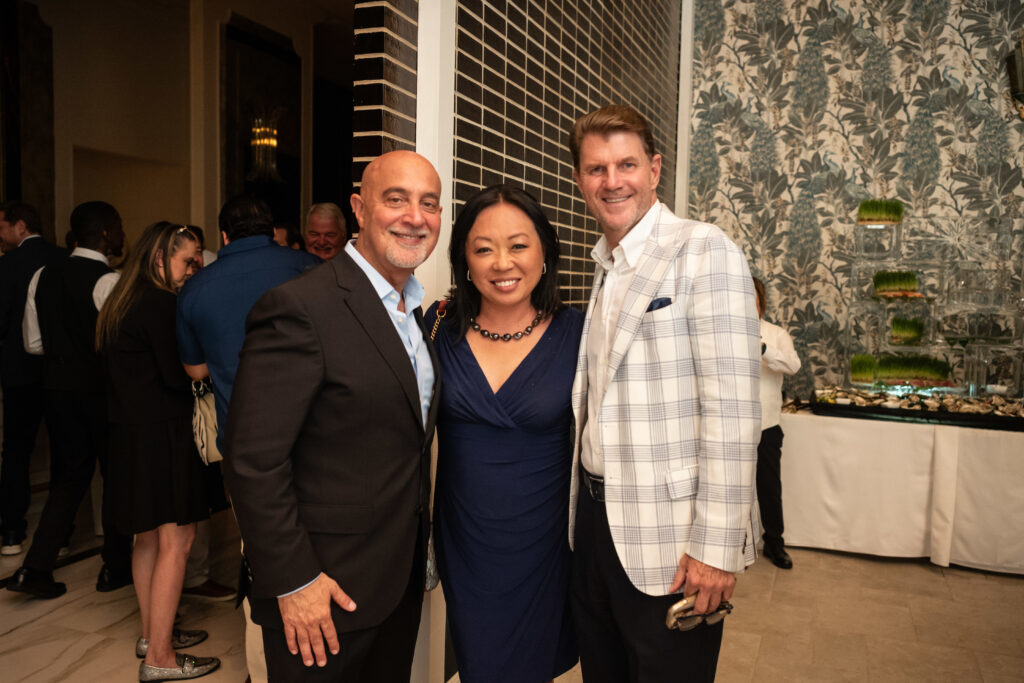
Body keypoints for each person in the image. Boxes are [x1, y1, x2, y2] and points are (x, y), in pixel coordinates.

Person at [222, 150, 442, 681]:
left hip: (395, 582)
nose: (415, 216)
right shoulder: (300, 307)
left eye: (429, 203)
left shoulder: (414, 311)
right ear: (360, 210)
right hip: (321, 595)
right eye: (396, 199)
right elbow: (253, 460)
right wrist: (294, 581)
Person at [567, 105, 761, 682]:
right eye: (596, 168)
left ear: (654, 170)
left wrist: (714, 549)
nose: (612, 181)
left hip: (673, 541)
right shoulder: (605, 264)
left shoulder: (704, 249)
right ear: (580, 179)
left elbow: (732, 413)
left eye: (626, 164)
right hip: (597, 526)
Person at [427, 185, 580, 682]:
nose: (502, 263)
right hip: (464, 537)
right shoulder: (437, 326)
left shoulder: (580, 332)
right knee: (478, 662)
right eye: (483, 248)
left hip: (545, 540)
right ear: (464, 260)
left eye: (518, 245)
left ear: (544, 253)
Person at [177, 195, 320, 681]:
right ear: (273, 229)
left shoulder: (196, 288)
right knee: (320, 541)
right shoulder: (309, 268)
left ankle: (264, 667)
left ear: (222, 237)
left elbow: (195, 369)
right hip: (317, 435)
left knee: (259, 553)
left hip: (244, 443)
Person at [96, 221, 220, 681]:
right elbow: (179, 375)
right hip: (164, 435)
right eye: (188, 260)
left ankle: (153, 634)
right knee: (178, 540)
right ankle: (161, 657)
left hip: (129, 435)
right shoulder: (161, 304)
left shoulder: (120, 301)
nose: (194, 270)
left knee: (146, 538)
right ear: (158, 258)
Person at [8, 200, 133, 599]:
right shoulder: (110, 281)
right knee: (116, 477)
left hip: (57, 391)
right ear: (108, 233)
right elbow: (120, 349)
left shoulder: (43, 274)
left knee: (69, 477)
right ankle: (117, 568)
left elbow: (33, 343)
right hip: (100, 392)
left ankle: (35, 568)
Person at [0, 201, 66, 555]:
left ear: (20, 226)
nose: (0, 234)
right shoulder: (63, 259)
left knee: (16, 451)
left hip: (19, 372)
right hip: (58, 371)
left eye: (2, 226)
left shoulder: (7, 265)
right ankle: (61, 535)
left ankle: (11, 530)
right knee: (63, 450)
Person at [752, 276, 800, 570]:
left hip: (766, 426)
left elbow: (793, 366)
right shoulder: (720, 333)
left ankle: (774, 543)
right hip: (729, 428)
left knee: (768, 487)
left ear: (761, 301)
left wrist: (763, 350)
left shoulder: (777, 335)